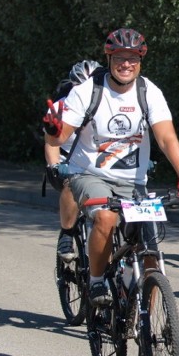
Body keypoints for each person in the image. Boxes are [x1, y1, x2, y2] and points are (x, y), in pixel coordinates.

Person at [43, 27, 179, 306]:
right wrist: (54, 130)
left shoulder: (148, 91)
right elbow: (60, 137)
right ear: (109, 59)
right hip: (89, 174)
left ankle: (146, 329)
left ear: (140, 61)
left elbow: (166, 137)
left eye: (132, 58)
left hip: (133, 182)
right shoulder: (87, 91)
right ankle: (95, 281)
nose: (125, 64)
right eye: (119, 58)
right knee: (105, 217)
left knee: (149, 253)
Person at [44, 60, 103, 261]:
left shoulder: (109, 104)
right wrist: (55, 166)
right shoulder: (61, 108)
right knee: (72, 181)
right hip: (68, 162)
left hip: (102, 165)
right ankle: (67, 234)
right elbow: (51, 143)